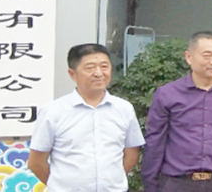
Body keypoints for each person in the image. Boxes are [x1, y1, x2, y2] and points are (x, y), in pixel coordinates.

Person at [141, 31, 212, 192]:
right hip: (178, 183)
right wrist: (151, 185)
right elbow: (155, 142)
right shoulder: (167, 94)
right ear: (189, 57)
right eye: (207, 55)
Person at [28, 43, 145, 192]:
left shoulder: (124, 109)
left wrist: (111, 180)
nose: (99, 73)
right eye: (90, 68)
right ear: (72, 74)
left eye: (104, 66)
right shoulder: (53, 112)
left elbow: (132, 154)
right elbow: (36, 162)